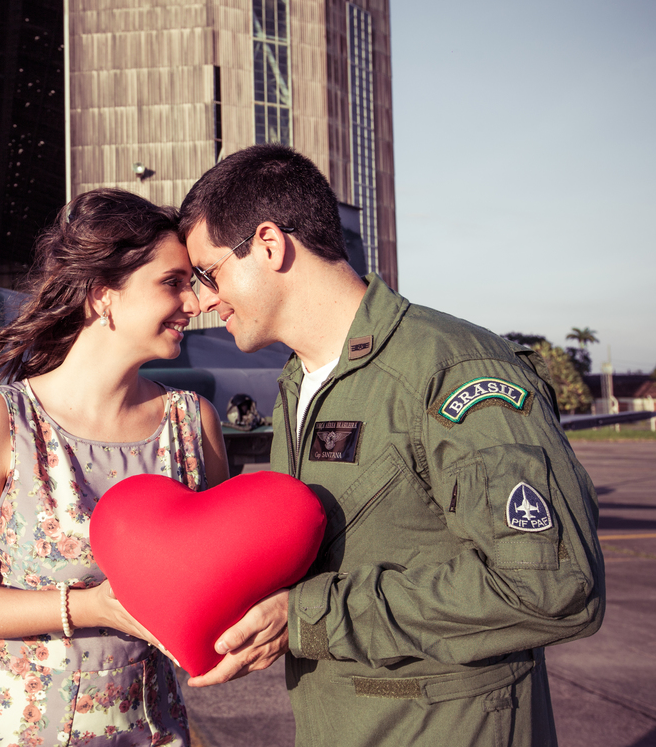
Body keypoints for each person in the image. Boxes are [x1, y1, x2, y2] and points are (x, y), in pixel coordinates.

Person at [176, 144, 605, 746]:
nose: (199, 301)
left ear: (269, 244)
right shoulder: (299, 382)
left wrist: (308, 617)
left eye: (207, 273)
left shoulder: (449, 368)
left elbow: (554, 585)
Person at [0, 188, 230, 746]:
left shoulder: (192, 423)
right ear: (104, 296)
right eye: (172, 283)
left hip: (146, 728)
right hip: (11, 729)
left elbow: (219, 580)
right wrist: (88, 606)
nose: (196, 303)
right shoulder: (0, 420)